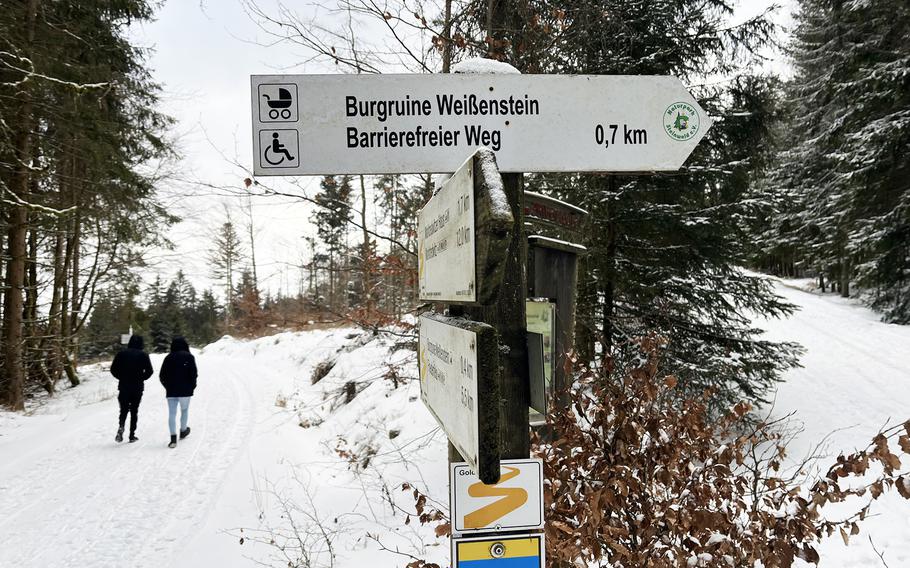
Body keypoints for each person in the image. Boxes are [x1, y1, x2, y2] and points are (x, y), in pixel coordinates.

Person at [110, 334, 153, 443]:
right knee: (134, 411)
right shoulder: (143, 355)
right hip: (137, 387)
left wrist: (121, 377)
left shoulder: (121, 354)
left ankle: (121, 426)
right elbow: (150, 371)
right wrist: (141, 378)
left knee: (123, 410)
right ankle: (131, 435)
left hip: (124, 386)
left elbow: (113, 369)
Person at [159, 336, 198, 448]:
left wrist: (167, 386)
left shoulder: (168, 358)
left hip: (171, 391)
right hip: (185, 391)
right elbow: (193, 374)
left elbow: (162, 375)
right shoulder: (189, 357)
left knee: (172, 413)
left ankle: (173, 439)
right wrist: (192, 386)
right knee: (184, 410)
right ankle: (183, 430)